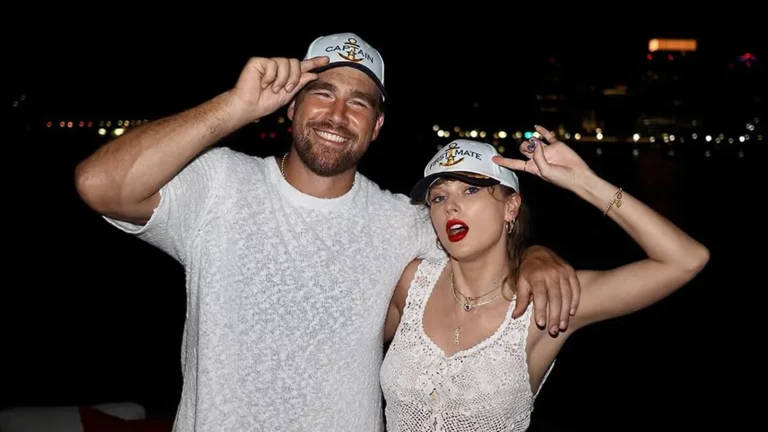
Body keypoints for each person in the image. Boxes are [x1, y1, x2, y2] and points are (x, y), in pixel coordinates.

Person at [74, 33, 579, 431]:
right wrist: (235, 106)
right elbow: (100, 185)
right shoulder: (220, 184)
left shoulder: (402, 222)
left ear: (376, 126)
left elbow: (485, 248)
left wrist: (534, 254)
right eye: (322, 93)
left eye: (359, 103)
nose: (337, 115)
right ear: (291, 105)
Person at [380, 128, 710, 431]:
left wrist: (584, 182)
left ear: (511, 207)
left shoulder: (547, 301)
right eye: (438, 197)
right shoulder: (411, 284)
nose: (451, 206)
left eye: (470, 189)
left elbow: (685, 260)